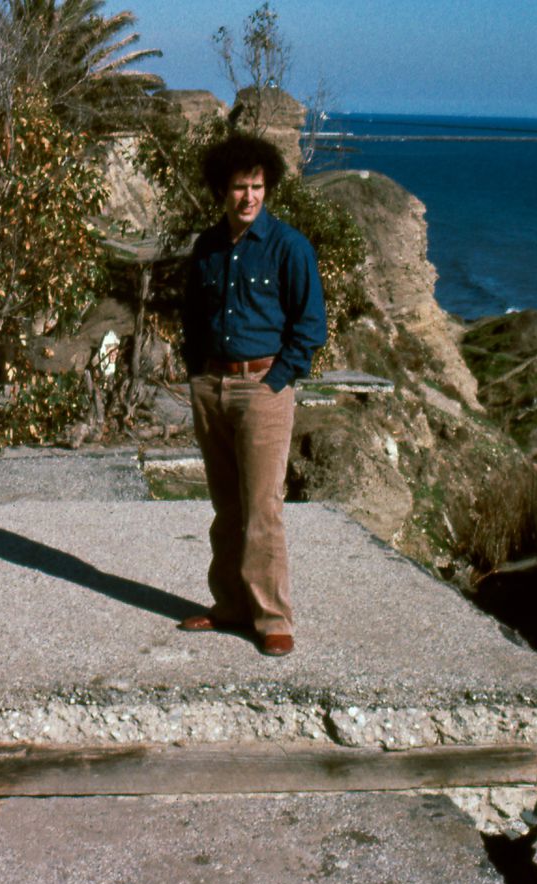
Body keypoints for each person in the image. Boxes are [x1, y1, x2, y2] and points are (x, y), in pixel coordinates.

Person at [176, 132, 326, 656]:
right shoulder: (208, 247)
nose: (249, 197)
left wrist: (276, 380)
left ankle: (271, 617)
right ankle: (231, 606)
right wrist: (197, 374)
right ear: (223, 189)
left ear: (269, 188)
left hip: (263, 387)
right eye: (240, 187)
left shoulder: (290, 247)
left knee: (264, 506)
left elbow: (310, 326)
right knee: (226, 506)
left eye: (257, 187)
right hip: (211, 386)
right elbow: (192, 314)